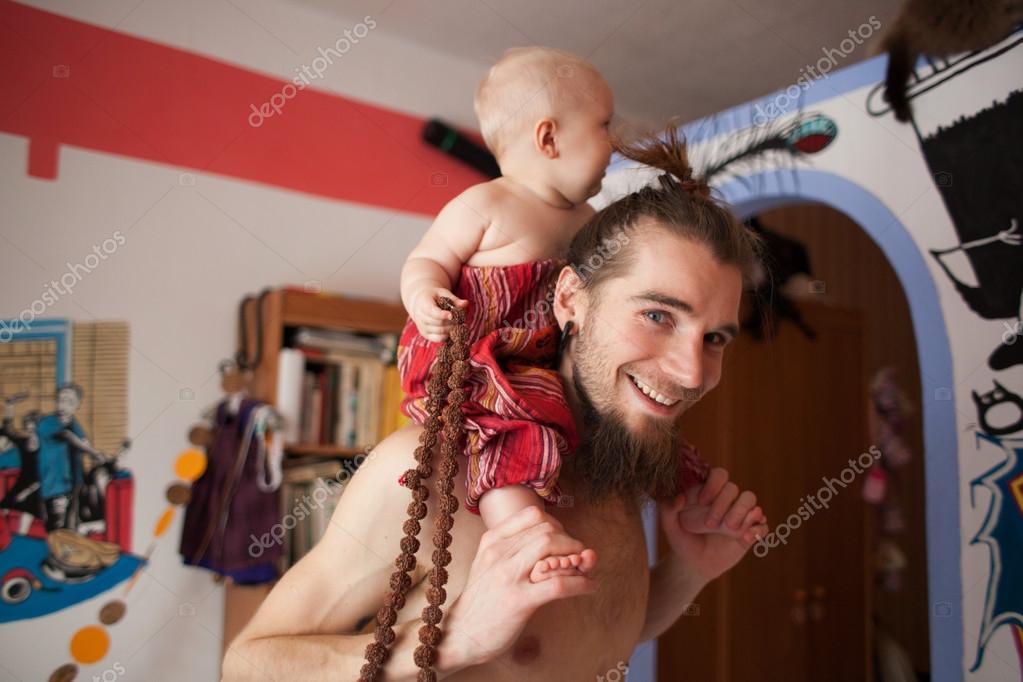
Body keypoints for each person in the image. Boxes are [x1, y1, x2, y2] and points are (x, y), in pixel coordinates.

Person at [223, 128, 770, 680]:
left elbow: (579, 645)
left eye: (715, 338)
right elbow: (245, 665)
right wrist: (451, 641)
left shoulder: (618, 466)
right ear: (570, 300)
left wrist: (688, 573)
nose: (692, 371)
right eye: (658, 316)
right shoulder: (427, 466)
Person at [397, 47, 735, 583]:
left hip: (539, 360)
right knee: (514, 424)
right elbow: (426, 261)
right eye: (605, 125)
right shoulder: (486, 205)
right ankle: (521, 532)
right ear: (548, 138)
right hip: (477, 359)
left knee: (606, 412)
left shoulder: (589, 222)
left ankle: (683, 490)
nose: (615, 142)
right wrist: (425, 298)